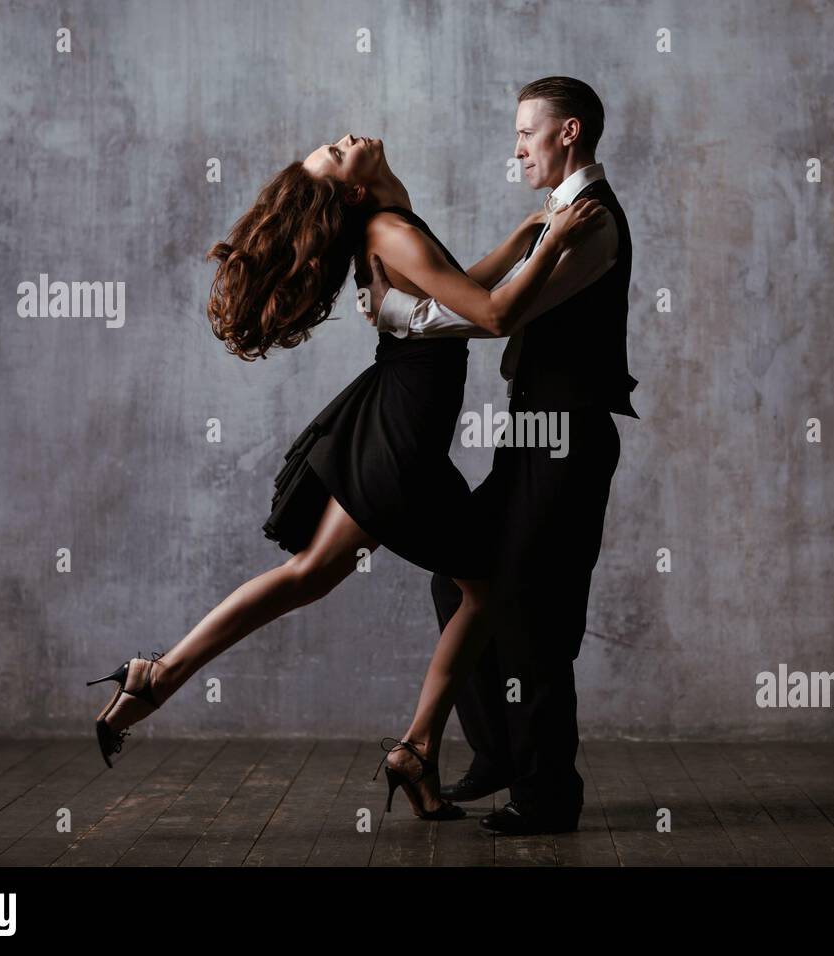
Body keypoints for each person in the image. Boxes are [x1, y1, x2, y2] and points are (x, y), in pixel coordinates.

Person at [85, 132, 607, 823]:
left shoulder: (392, 220)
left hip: (390, 427)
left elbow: (453, 296)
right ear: (354, 190)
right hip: (399, 442)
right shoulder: (389, 230)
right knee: (481, 586)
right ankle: (415, 747)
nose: (340, 141)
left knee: (313, 576)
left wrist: (518, 241)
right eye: (333, 155)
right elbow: (494, 315)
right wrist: (552, 244)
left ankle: (160, 675)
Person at [365, 77, 637, 835]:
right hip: (532, 431)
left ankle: (548, 793)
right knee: (462, 585)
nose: (516, 147)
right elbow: (492, 297)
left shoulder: (591, 225)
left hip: (570, 433)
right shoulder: (558, 215)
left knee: (534, 610)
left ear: (569, 133)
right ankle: (500, 756)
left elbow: (492, 316)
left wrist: (394, 312)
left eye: (528, 132)